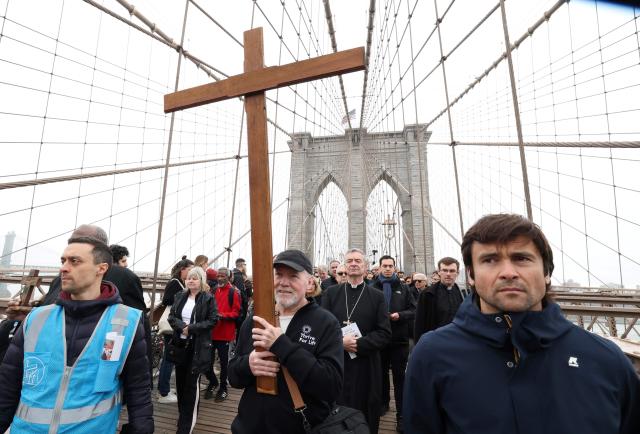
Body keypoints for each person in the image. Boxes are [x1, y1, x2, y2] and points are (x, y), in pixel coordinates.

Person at [403, 214, 640, 434]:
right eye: (490, 260)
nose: (508, 272)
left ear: (547, 272)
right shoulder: (432, 356)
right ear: (471, 276)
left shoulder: (607, 361)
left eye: (522, 258)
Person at [0, 236, 153, 433]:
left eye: (75, 261)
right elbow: (7, 385)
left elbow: (138, 389)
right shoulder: (36, 319)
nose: (64, 267)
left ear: (101, 268)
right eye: (63, 261)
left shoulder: (126, 323)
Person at [228, 249, 344, 433]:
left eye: (293, 276)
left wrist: (281, 345)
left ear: (309, 283)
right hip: (249, 426)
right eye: (279, 275)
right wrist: (247, 364)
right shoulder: (255, 318)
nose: (283, 282)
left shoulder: (326, 323)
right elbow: (233, 376)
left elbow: (330, 387)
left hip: (299, 427)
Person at [321, 248, 391, 434]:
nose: (353, 264)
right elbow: (323, 329)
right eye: (349, 260)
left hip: (366, 364)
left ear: (365, 267)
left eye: (358, 261)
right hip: (337, 362)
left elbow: (384, 332)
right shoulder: (331, 294)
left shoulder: (377, 296)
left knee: (365, 409)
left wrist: (358, 344)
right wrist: (340, 342)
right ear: (344, 265)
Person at [167, 266, 217, 434]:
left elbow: (213, 320)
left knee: (191, 387)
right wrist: (183, 327)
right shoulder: (180, 296)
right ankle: (183, 415)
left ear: (201, 280)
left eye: (194, 278)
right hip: (180, 346)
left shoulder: (208, 298)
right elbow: (171, 316)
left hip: (197, 348)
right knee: (180, 384)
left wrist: (192, 328)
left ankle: (185, 427)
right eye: (189, 278)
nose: (190, 280)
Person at [371, 255, 416, 431]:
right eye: (385, 266)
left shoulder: (404, 288)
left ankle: (401, 414)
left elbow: (413, 309)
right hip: (379, 341)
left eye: (391, 266)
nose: (388, 268)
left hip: (399, 340)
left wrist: (400, 315)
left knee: (400, 378)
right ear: (380, 267)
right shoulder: (372, 287)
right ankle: (383, 404)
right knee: (380, 375)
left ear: (395, 268)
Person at [157, 256, 194, 403]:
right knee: (168, 357)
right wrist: (185, 296)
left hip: (175, 326)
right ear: (182, 270)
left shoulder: (179, 283)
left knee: (170, 357)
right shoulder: (175, 283)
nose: (192, 273)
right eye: (190, 270)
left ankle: (164, 388)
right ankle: (163, 392)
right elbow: (166, 300)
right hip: (171, 326)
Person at [204, 267, 241, 402]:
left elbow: (237, 313)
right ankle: (213, 382)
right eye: (218, 275)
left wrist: (222, 316)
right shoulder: (214, 290)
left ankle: (223, 388)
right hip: (212, 333)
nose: (220, 278)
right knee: (207, 361)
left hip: (225, 334)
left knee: (224, 364)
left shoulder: (234, 292)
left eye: (223, 276)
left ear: (229, 277)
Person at [413, 257, 465, 340]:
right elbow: (419, 323)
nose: (448, 274)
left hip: (458, 341)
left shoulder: (462, 293)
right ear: (439, 272)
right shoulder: (427, 294)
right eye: (444, 270)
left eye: (452, 271)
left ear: (457, 273)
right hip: (435, 343)